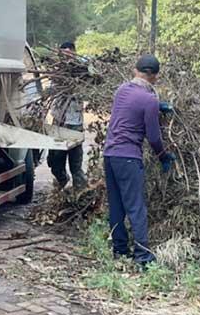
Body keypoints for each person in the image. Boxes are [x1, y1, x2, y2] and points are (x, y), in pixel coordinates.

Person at [103, 54, 176, 265]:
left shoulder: (121, 90)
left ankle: (120, 250)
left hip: (110, 155)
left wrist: (156, 105)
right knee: (136, 207)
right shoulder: (149, 99)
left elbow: (130, 108)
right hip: (128, 158)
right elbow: (153, 137)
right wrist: (163, 156)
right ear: (154, 76)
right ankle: (143, 256)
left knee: (117, 205)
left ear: (135, 70)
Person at [48, 41, 87, 190]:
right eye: (62, 54)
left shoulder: (81, 73)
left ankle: (80, 195)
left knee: (75, 163)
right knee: (54, 161)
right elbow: (50, 91)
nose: (65, 58)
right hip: (58, 122)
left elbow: (92, 71)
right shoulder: (56, 72)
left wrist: (76, 63)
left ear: (74, 53)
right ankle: (62, 180)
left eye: (68, 53)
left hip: (75, 123)